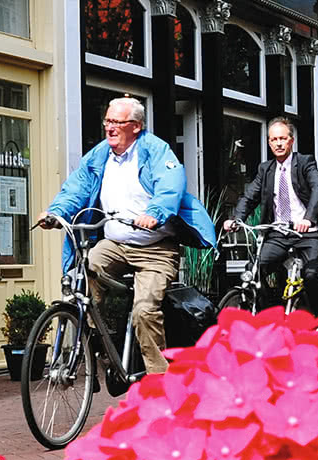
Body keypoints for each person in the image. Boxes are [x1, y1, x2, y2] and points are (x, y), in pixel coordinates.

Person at [37, 97, 216, 375]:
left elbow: (171, 184)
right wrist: (56, 213)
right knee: (87, 269)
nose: (109, 127)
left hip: (155, 248)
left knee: (144, 311)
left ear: (136, 126)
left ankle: (159, 379)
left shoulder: (156, 151)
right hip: (115, 244)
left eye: (117, 122)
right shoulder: (99, 155)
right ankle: (101, 343)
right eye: (107, 121)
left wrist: (155, 213)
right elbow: (77, 187)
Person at [225, 117, 318, 314]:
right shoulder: (265, 169)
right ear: (269, 142)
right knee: (253, 270)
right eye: (274, 139)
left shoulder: (305, 162)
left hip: (308, 234)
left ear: (291, 141)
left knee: (310, 275)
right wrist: (236, 219)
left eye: (283, 138)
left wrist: (308, 218)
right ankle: (269, 309)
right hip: (279, 234)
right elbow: (250, 196)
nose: (279, 143)